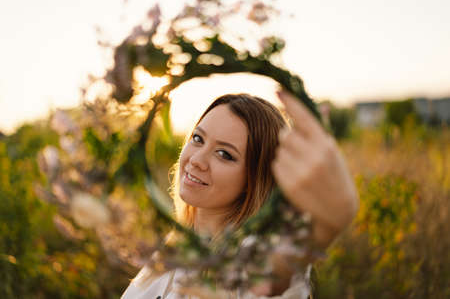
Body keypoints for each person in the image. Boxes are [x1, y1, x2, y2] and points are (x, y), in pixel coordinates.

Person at [121, 91, 359, 298]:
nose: (196, 160)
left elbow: (273, 281)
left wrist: (319, 233)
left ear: (253, 179)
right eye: (197, 138)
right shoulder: (174, 249)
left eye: (224, 154)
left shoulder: (247, 258)